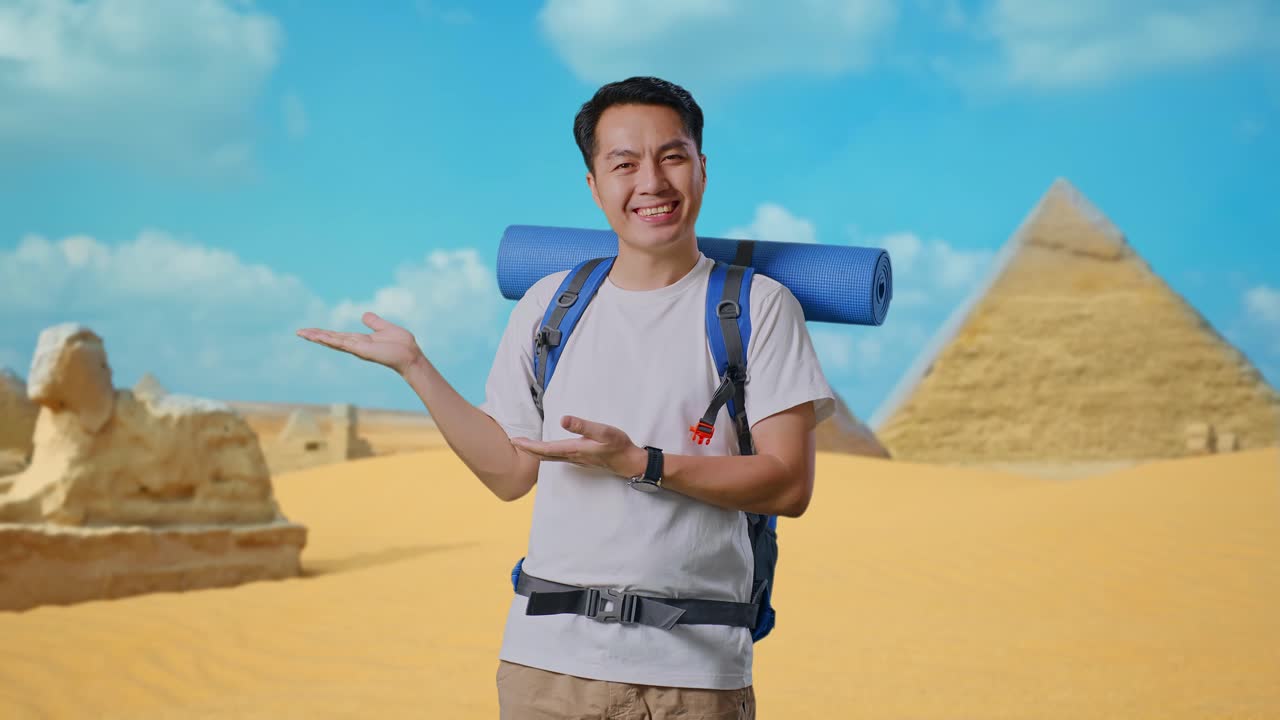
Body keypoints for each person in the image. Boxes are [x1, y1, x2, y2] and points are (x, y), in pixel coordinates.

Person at [297, 76, 834, 719]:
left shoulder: (758, 308)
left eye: (672, 156)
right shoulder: (551, 305)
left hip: (692, 674)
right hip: (544, 668)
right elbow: (510, 472)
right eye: (624, 163)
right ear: (594, 185)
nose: (652, 183)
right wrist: (416, 367)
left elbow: (786, 485)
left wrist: (641, 463)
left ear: (701, 167)